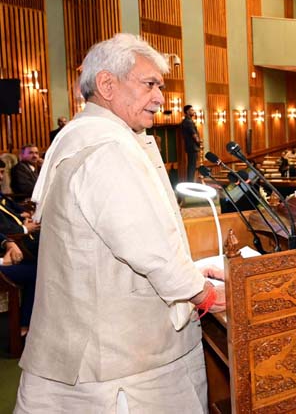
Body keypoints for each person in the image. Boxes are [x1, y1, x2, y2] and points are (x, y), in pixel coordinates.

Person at [16, 34, 226, 413]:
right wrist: (204, 293)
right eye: (150, 84)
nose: (161, 97)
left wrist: (190, 272)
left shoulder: (87, 134)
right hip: (117, 361)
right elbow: (146, 246)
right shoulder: (107, 147)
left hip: (96, 342)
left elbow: (107, 245)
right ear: (107, 85)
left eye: (161, 86)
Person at [180, 105, 201, 183]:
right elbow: (194, 134)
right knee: (192, 166)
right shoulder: (188, 122)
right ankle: (191, 183)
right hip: (193, 147)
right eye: (191, 110)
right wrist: (199, 142)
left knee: (191, 166)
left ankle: (190, 182)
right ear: (187, 111)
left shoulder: (184, 121)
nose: (193, 111)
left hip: (189, 146)